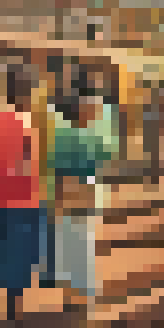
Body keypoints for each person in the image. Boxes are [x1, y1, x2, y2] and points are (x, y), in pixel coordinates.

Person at [47, 81, 111, 310]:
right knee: (78, 247)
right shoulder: (80, 138)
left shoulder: (68, 136)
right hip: (78, 197)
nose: (95, 112)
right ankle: (79, 296)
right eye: (91, 107)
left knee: (73, 247)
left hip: (74, 197)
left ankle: (75, 296)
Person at [0, 62, 44, 321]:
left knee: (0, 252)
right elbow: (30, 165)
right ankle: (14, 308)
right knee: (20, 256)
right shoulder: (27, 124)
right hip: (23, 200)